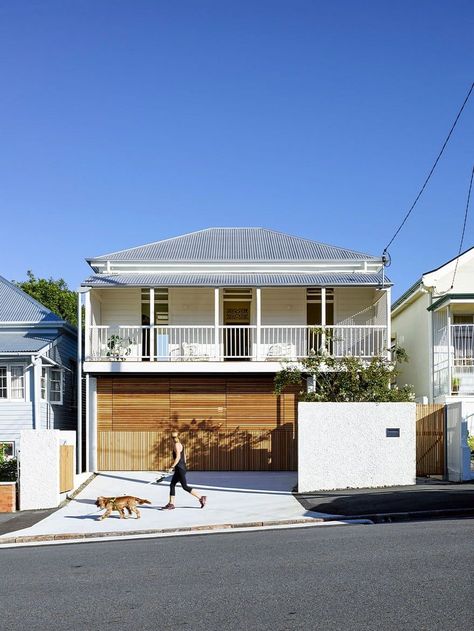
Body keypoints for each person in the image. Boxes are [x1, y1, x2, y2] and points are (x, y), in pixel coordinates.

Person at [162, 431, 207, 510]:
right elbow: (184, 457)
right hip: (180, 468)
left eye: (173, 437)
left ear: (173, 438)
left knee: (185, 486)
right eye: (173, 437)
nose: (173, 439)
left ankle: (201, 497)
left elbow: (178, 457)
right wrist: (183, 467)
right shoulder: (180, 444)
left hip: (180, 468)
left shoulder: (176, 445)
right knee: (172, 484)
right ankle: (171, 503)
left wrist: (172, 467)